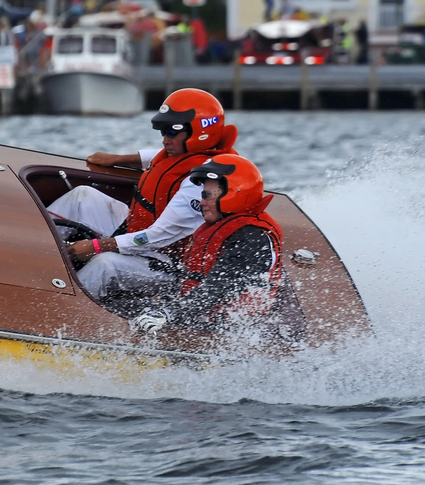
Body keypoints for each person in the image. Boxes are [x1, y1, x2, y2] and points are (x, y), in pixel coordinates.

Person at [53, 89, 239, 305]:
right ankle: (32, 256)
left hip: (171, 264)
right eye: (163, 131)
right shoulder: (186, 153)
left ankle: (57, 308)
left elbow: (158, 236)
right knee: (82, 196)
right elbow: (158, 158)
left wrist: (95, 246)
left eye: (171, 132)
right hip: (141, 236)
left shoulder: (200, 184)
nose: (164, 140)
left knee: (105, 264)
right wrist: (119, 158)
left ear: (199, 133)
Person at [129, 155, 283, 333]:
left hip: (231, 332)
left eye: (208, 195)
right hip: (199, 318)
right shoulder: (225, 227)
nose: (202, 202)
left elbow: (220, 287)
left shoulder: (253, 239)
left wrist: (168, 313)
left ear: (235, 192)